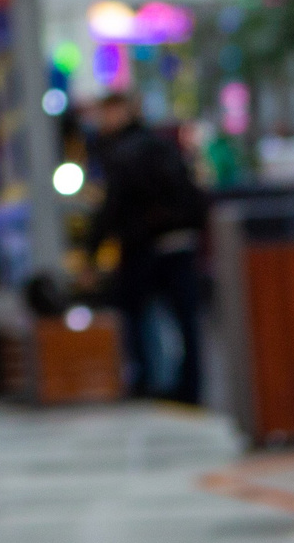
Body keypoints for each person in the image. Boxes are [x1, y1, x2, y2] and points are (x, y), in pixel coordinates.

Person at [83, 92, 207, 405]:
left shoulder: (122, 151)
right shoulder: (159, 143)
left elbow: (113, 206)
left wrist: (92, 249)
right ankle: (188, 387)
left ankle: (151, 382)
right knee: (184, 321)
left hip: (145, 246)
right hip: (179, 240)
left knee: (138, 314)